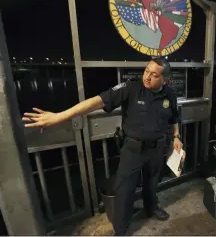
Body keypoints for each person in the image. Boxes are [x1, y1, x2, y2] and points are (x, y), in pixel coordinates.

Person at [22, 58, 182, 235]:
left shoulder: (170, 94)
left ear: (165, 80)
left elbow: (174, 118)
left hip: (157, 148)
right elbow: (96, 101)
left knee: (152, 182)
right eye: (146, 71)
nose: (147, 77)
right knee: (125, 190)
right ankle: (121, 229)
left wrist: (176, 136)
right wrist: (60, 116)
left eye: (154, 74)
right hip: (133, 149)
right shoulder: (131, 88)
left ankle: (151, 207)